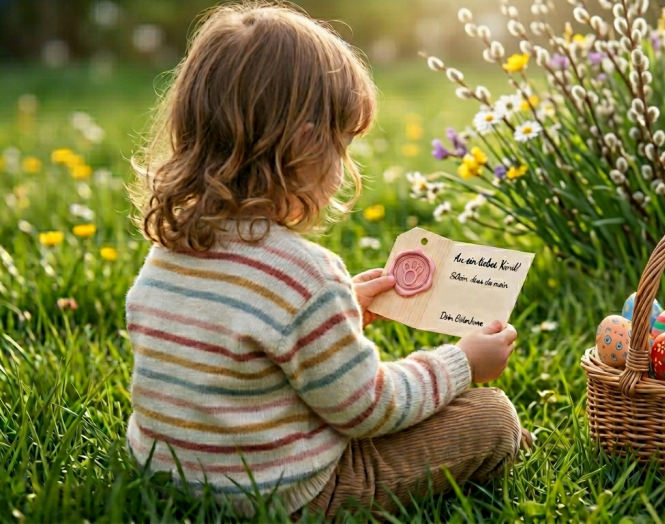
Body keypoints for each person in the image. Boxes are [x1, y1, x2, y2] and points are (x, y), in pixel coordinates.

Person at [124, 2, 526, 518]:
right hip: (291, 497)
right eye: (343, 145)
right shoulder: (304, 274)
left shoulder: (167, 255)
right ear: (306, 145)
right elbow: (368, 408)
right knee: (491, 417)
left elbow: (240, 342)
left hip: (169, 479)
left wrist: (342, 307)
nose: (346, 164)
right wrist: (463, 362)